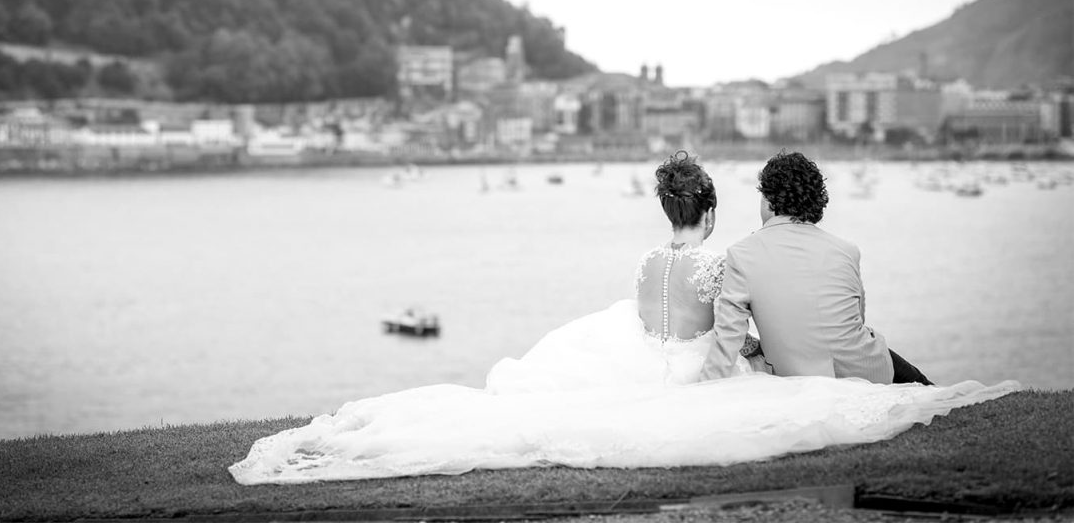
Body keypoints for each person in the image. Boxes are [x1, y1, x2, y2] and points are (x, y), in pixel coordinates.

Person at [229, 154, 1016, 485]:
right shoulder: (740, 259)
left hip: (654, 354)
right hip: (732, 360)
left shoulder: (662, 262)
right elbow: (733, 328)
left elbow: (668, 325)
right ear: (704, 209)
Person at [700, 151, 931, 384]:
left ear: (769, 201)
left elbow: (728, 339)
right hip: (869, 369)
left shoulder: (741, 255)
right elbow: (855, 319)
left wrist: (700, 391)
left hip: (802, 377)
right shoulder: (847, 250)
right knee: (922, 384)